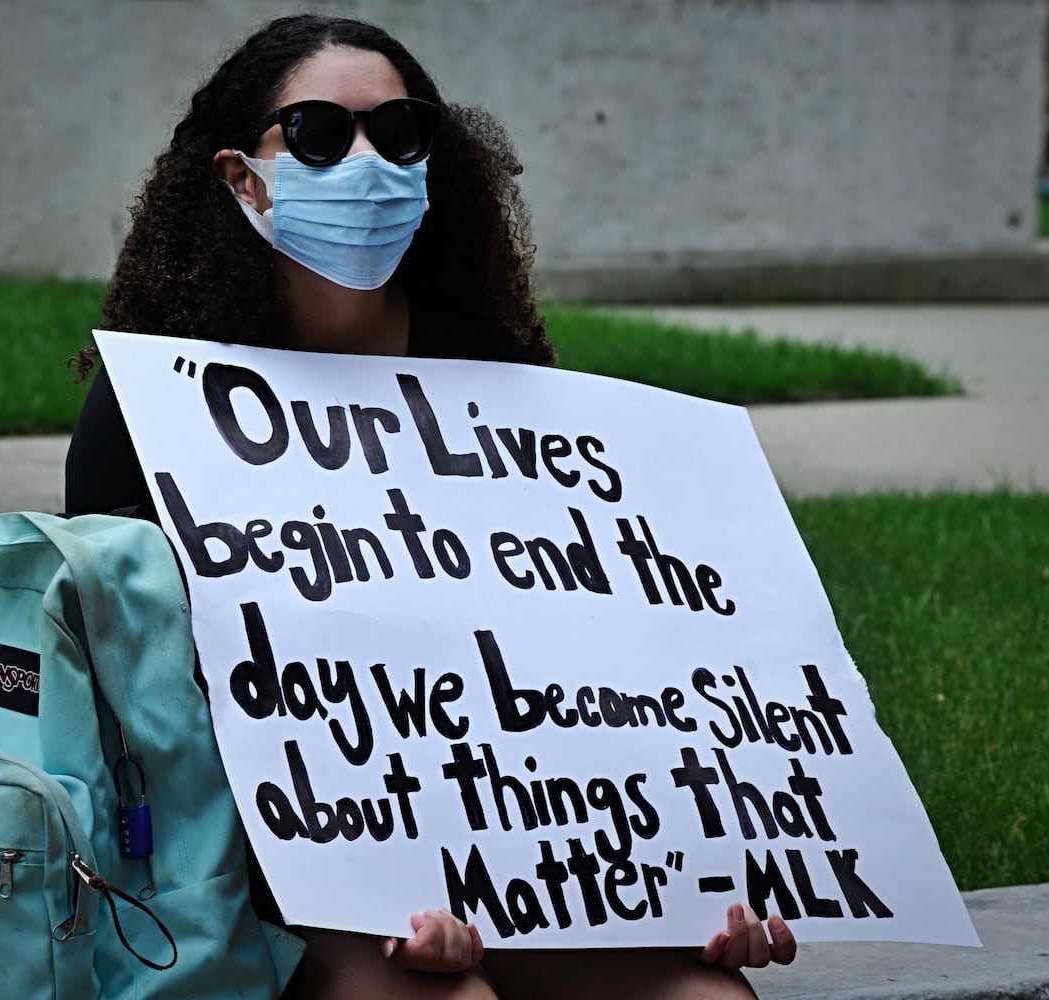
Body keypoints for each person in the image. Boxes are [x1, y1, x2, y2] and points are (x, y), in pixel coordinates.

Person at [65, 13, 797, 998]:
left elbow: (594, 641)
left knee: (704, 995)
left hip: (523, 847)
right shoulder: (153, 408)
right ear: (242, 177)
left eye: (400, 133)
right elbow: (140, 699)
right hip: (268, 873)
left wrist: (705, 879)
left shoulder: (491, 371)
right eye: (322, 136)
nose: (366, 161)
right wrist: (385, 877)